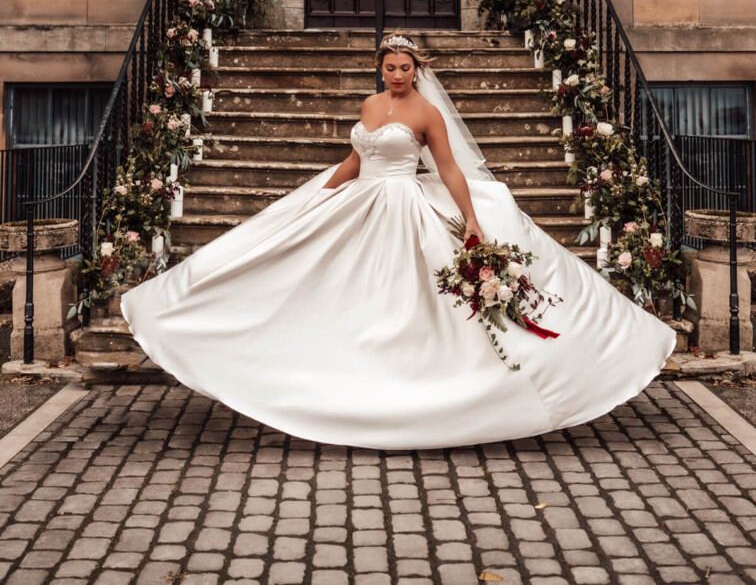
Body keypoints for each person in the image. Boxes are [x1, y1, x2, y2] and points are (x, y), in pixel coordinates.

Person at [121, 32, 676, 450]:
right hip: (361, 201)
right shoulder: (369, 105)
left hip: (404, 206)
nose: (396, 75)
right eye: (389, 68)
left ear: (417, 69)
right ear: (380, 68)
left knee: (403, 300)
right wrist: (316, 197)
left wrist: (471, 218)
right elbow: (355, 159)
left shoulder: (426, 113)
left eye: (405, 68)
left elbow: (450, 169)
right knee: (310, 276)